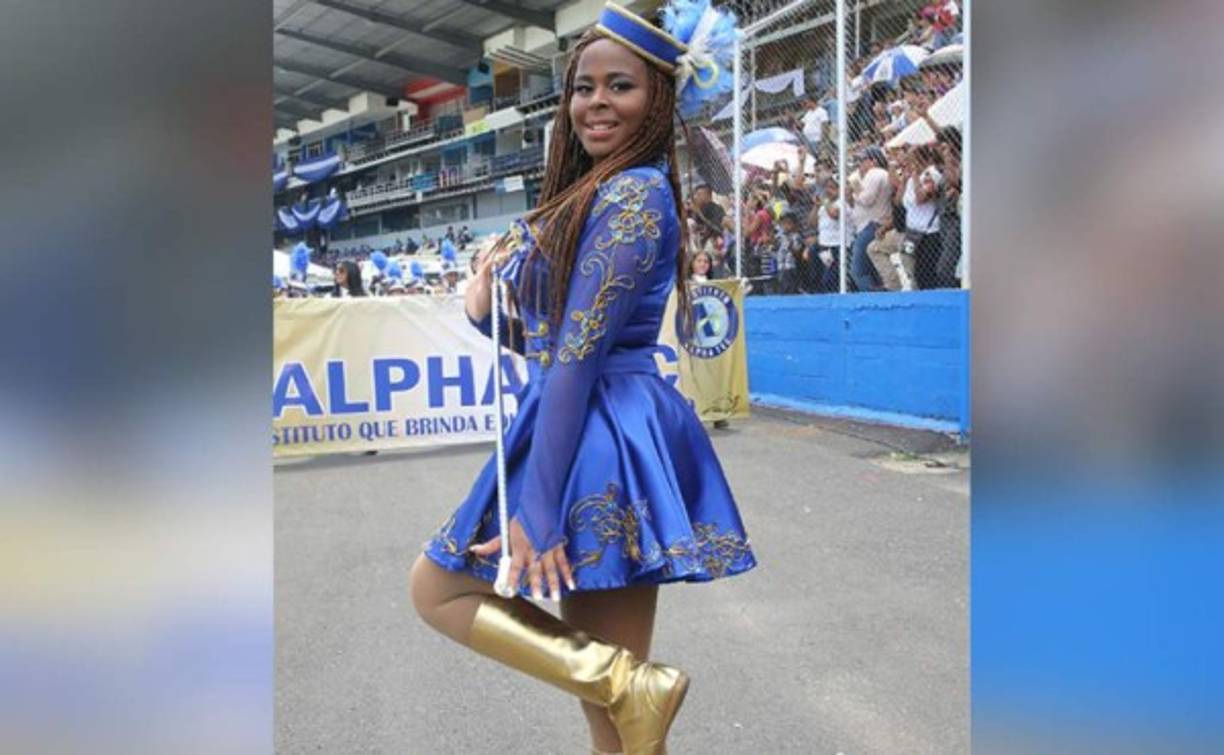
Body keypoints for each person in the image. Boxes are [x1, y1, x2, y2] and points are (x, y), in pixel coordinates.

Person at [408, 4, 756, 754]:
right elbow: (551, 338)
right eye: (583, 87)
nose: (596, 103)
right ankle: (637, 687)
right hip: (590, 420)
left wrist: (536, 511)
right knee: (616, 715)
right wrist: (484, 312)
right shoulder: (598, 188)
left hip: (603, 431)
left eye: (620, 86)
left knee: (436, 589)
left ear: (659, 98)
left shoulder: (634, 193)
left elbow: (577, 355)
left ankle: (636, 684)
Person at [899, 144, 944, 289]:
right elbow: (900, 202)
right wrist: (905, 180)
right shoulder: (913, 177)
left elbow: (920, 198)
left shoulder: (930, 174)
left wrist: (914, 177)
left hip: (929, 233)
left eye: (911, 159)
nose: (908, 163)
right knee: (915, 272)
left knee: (925, 274)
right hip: (913, 233)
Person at [846, 147, 892, 291]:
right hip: (869, 225)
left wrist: (854, 190)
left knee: (857, 270)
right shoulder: (873, 175)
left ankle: (872, 297)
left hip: (871, 225)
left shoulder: (875, 172)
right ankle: (879, 296)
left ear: (873, 161)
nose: (860, 163)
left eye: (863, 160)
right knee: (873, 269)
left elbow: (866, 199)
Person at [866, 208, 913, 291]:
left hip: (913, 232)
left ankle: (915, 289)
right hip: (898, 231)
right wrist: (884, 228)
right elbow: (897, 215)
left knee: (908, 262)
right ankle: (892, 285)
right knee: (873, 248)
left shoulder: (908, 196)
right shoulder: (895, 197)